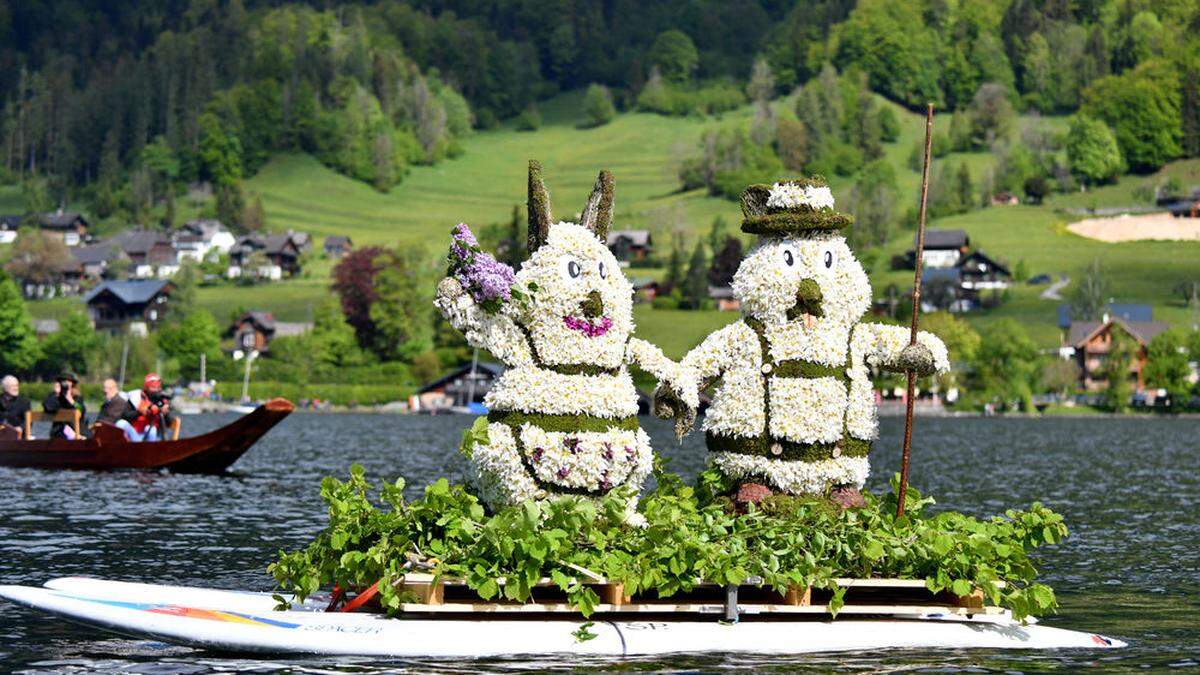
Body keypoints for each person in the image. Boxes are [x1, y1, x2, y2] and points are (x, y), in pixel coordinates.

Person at [43, 372, 86, 440]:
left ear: (72, 384)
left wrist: (70, 399)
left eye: (68, 381)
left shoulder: (77, 397)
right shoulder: (55, 396)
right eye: (63, 381)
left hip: (76, 429)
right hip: (59, 431)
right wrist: (56, 394)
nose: (65, 384)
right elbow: (47, 407)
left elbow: (81, 410)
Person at [130, 373, 171, 442]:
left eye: (157, 387)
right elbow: (127, 416)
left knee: (152, 430)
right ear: (146, 387)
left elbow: (169, 423)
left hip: (155, 433)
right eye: (153, 387)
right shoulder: (137, 397)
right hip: (137, 433)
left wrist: (165, 413)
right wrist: (141, 411)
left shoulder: (162, 400)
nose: (155, 390)